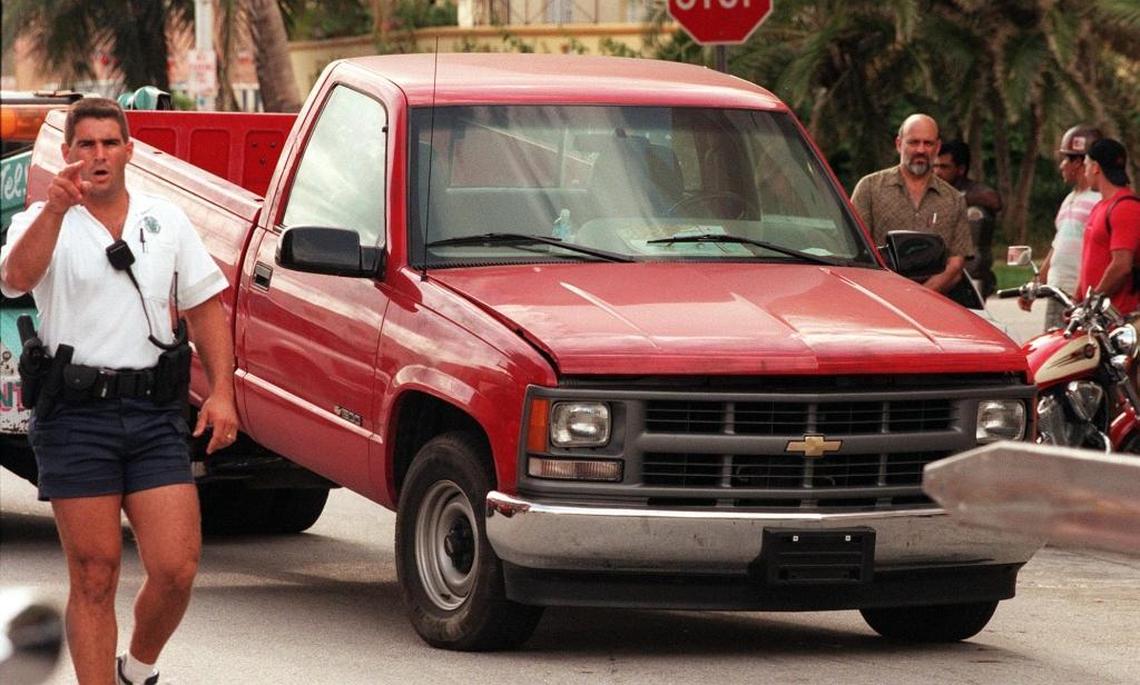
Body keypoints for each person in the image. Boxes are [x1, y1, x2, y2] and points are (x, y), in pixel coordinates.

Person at [0, 98, 238, 685]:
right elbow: (14, 279)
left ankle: (138, 669)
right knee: (95, 574)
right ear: (69, 153)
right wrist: (54, 209)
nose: (99, 155)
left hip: (154, 413)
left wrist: (223, 393)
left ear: (129, 152)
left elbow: (206, 308)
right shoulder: (38, 220)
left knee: (176, 567)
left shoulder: (165, 219)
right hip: (76, 418)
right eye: (87, 145)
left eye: (110, 143)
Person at [851, 113, 974, 295]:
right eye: (913, 142)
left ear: (937, 147)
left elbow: (956, 263)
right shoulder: (869, 188)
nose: (921, 150)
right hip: (879, 299)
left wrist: (920, 297)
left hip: (934, 304)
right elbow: (855, 249)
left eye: (928, 143)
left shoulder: (953, 199)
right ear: (899, 144)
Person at [1020, 125, 1102, 330]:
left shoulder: (1098, 201)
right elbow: (1057, 246)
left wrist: (1081, 294)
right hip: (1058, 295)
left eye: (1066, 159)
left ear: (1080, 162)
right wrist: (1036, 284)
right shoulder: (1069, 200)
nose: (1061, 166)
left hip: (1082, 298)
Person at [1075, 137, 1140, 317]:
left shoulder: (1125, 207)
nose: (1085, 172)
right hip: (1094, 318)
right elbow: (1090, 260)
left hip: (1118, 320)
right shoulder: (1100, 207)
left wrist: (1092, 301)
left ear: (1096, 167)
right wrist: (1076, 302)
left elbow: (1121, 265)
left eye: (1086, 165)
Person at [933, 140, 1003, 298]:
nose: (937, 172)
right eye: (935, 166)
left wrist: (955, 200)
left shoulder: (972, 191)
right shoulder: (932, 191)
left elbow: (994, 200)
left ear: (961, 169)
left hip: (970, 275)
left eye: (944, 167)